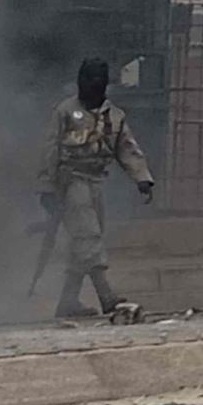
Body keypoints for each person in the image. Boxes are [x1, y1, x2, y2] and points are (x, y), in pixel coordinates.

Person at [43, 55, 154, 321]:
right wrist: (45, 188)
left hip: (96, 181)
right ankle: (106, 295)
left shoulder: (114, 117)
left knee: (84, 243)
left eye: (98, 80)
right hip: (71, 181)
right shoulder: (65, 111)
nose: (92, 84)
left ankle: (68, 301)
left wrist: (142, 178)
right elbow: (50, 150)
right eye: (87, 78)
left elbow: (127, 148)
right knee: (88, 237)